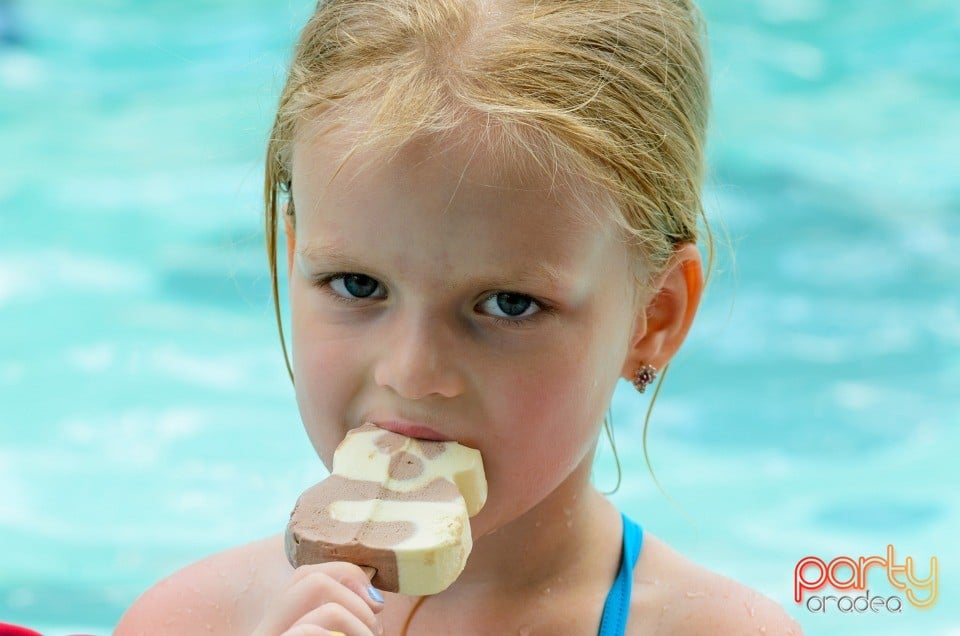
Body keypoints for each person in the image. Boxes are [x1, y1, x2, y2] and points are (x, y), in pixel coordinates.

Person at [117, 0, 803, 634]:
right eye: (357, 285)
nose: (413, 372)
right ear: (296, 255)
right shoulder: (192, 622)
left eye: (509, 304)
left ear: (654, 316)